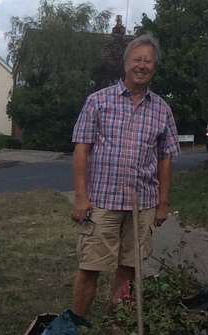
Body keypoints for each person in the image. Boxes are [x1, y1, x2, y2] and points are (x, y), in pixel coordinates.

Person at [69, 34, 180, 317]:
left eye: (148, 61)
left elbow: (166, 158)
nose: (142, 65)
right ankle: (74, 328)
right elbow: (81, 150)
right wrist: (81, 198)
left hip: (142, 204)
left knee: (129, 268)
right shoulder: (98, 101)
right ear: (126, 63)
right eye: (137, 59)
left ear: (154, 67)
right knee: (90, 267)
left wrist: (163, 203)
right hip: (102, 201)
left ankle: (117, 327)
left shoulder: (162, 110)